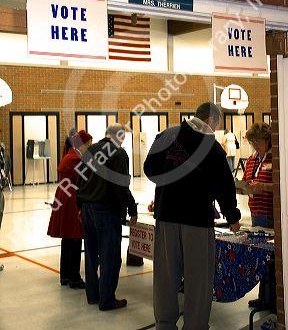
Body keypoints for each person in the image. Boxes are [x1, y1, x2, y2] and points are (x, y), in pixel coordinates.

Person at [144, 102, 241, 330]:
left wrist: (170, 182)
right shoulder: (213, 148)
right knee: (198, 281)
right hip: (197, 222)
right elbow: (224, 186)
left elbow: (150, 168)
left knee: (166, 279)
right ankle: (195, 325)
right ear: (212, 121)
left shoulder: (167, 135)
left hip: (166, 217)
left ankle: (165, 325)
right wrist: (232, 216)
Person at [76, 123, 138, 311]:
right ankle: (107, 300)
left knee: (91, 255)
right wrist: (132, 208)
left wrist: (80, 206)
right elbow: (121, 185)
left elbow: (80, 180)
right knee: (110, 257)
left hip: (87, 208)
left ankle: (93, 296)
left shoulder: (90, 150)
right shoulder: (119, 154)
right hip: (106, 210)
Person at [47, 130, 92, 288]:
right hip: (71, 199)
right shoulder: (76, 158)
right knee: (74, 237)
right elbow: (85, 178)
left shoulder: (69, 155)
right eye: (89, 144)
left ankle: (65, 275)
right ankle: (74, 277)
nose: (90, 146)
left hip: (64, 197)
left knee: (67, 239)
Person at [241, 122, 275, 310]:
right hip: (256, 213)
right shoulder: (251, 159)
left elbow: (280, 185)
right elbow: (248, 180)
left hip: (270, 214)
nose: (254, 145)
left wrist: (263, 187)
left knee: (271, 259)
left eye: (257, 141)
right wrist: (244, 186)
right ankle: (263, 296)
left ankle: (270, 298)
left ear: (266, 139)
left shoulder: (274, 158)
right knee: (260, 257)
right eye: (252, 142)